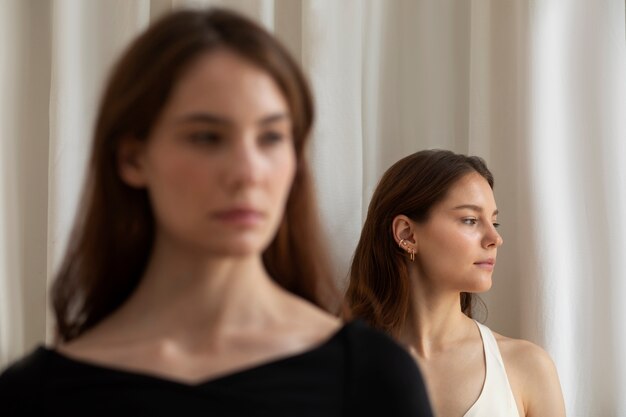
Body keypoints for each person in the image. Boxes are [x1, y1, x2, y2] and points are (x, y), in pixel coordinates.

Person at [0, 8, 433, 417]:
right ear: (132, 158)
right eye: (207, 137)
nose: (248, 173)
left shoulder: (374, 378)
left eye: (271, 137)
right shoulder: (33, 395)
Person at [346, 149, 566, 417]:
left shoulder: (527, 367)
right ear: (407, 234)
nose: (494, 238)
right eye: (471, 220)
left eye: (495, 222)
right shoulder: (339, 367)